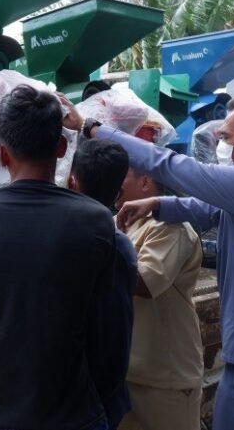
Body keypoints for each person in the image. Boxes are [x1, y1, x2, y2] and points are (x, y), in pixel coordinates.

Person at [67, 94, 234, 430]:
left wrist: (90, 127)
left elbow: (168, 164)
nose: (222, 146)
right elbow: (215, 211)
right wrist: (158, 204)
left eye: (227, 139)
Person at [0, 85, 117, 430]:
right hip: (72, 412)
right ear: (61, 147)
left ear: (1, 154)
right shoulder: (96, 220)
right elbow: (107, 326)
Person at [114, 166, 204, 430]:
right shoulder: (118, 222)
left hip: (166, 375)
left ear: (145, 182)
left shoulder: (169, 226)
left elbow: (145, 282)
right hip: (128, 370)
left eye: (122, 175)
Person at [67, 138, 137, 429]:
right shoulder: (118, 243)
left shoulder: (93, 241)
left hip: (86, 403)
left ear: (71, 182)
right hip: (100, 399)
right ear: (119, 192)